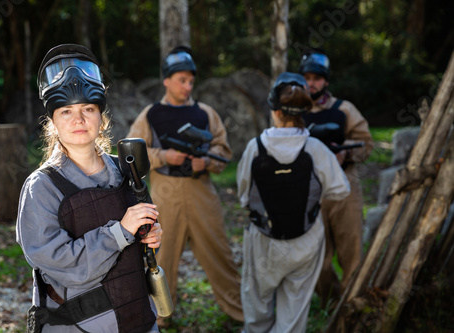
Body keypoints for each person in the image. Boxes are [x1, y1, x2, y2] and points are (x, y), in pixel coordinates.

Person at [16, 44, 162, 333]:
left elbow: (142, 231)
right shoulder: (41, 187)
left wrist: (151, 233)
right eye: (66, 111)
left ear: (101, 117)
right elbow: (63, 265)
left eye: (88, 109)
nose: (78, 119)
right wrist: (119, 232)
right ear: (53, 122)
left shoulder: (124, 169)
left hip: (139, 319)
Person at [127, 46, 243, 326]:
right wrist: (165, 156)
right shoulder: (151, 114)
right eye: (181, 80)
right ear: (166, 80)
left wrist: (207, 163)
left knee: (219, 253)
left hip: (202, 191)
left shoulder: (205, 113)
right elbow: (131, 153)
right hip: (165, 194)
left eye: (191, 81)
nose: (187, 86)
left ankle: (239, 314)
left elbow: (223, 150)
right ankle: (161, 319)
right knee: (161, 256)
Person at [236, 72, 350, 333]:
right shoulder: (316, 149)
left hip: (263, 240)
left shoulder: (255, 148)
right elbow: (341, 190)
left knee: (256, 312)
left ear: (274, 110)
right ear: (304, 111)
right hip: (305, 240)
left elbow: (244, 196)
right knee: (293, 318)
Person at [299, 50, 374, 307]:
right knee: (317, 257)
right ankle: (331, 305)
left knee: (351, 251)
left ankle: (353, 305)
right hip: (309, 191)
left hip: (345, 187)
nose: (312, 83)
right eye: (307, 78)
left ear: (326, 81)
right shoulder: (295, 112)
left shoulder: (344, 109)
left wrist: (347, 153)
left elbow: (366, 144)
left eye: (317, 78)